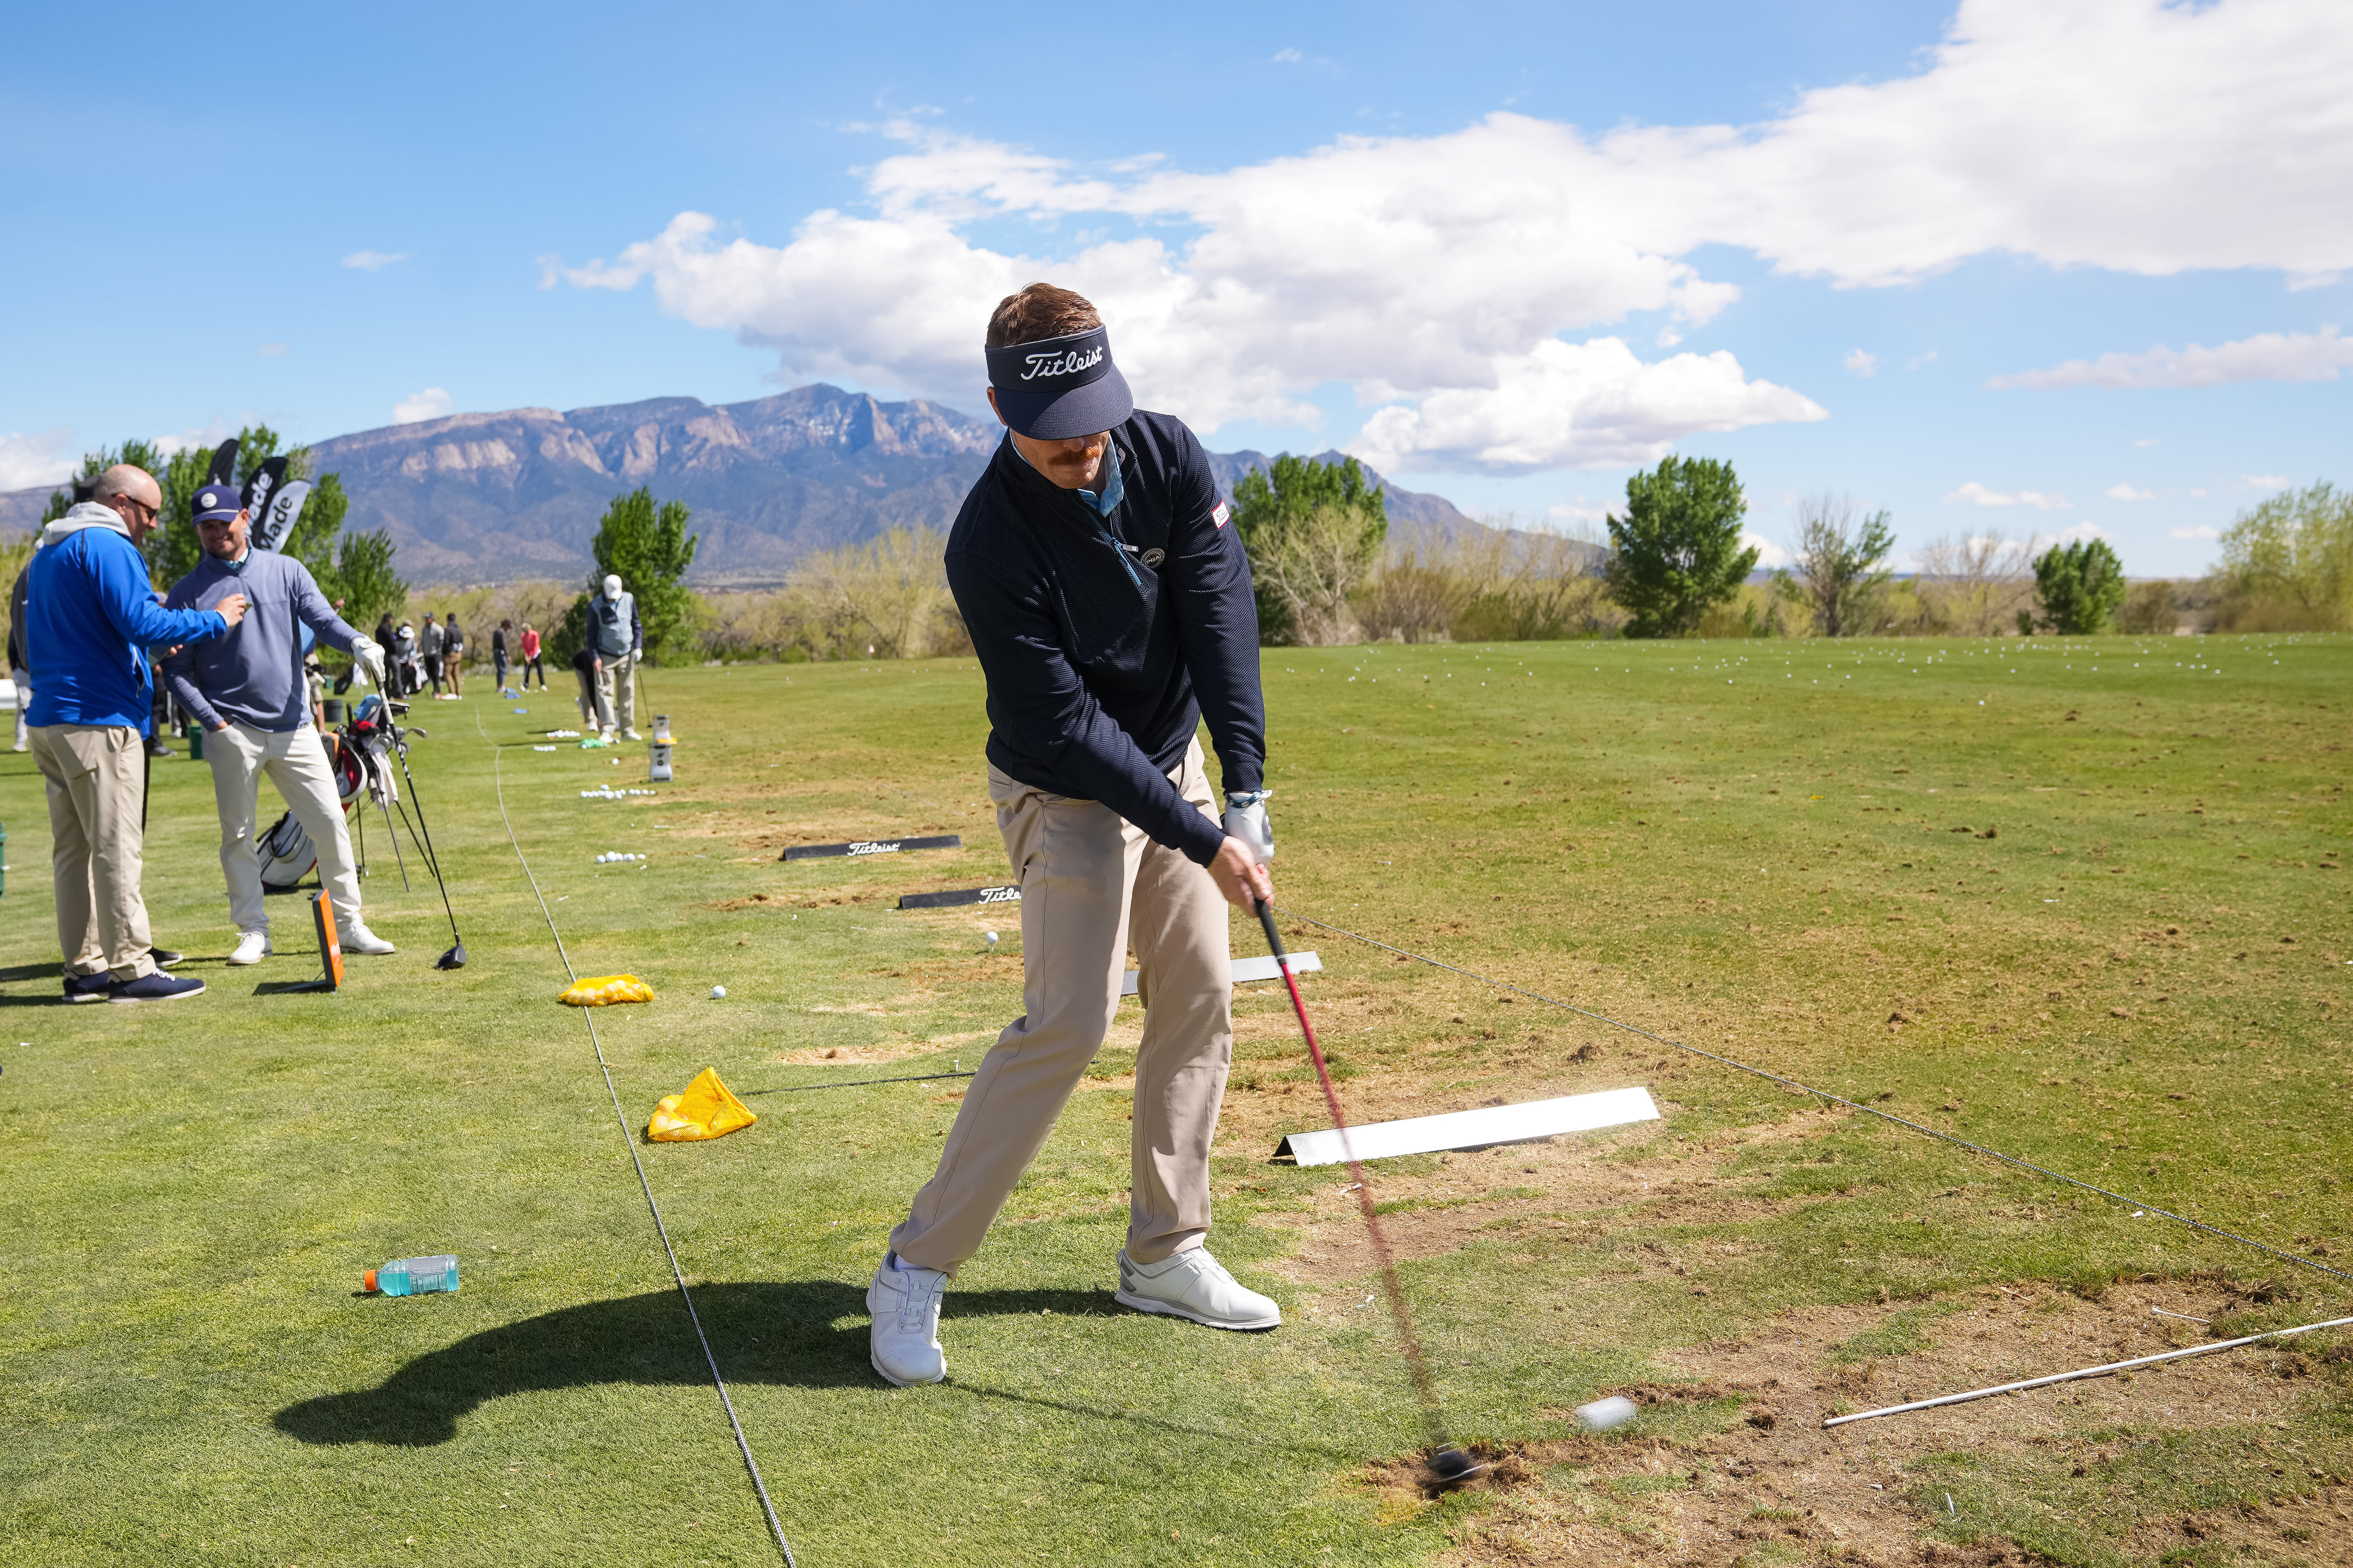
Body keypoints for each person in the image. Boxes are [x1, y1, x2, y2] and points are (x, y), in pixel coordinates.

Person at [867, 283, 1277, 1387]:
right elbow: (1069, 726)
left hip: (1172, 756)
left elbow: (1218, 606)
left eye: (1094, 414)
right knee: (1069, 1018)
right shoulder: (987, 541)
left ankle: (1166, 1250)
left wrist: (1244, 790)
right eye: (1056, 430)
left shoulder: (1167, 454)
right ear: (1002, 408)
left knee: (1199, 991)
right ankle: (913, 1266)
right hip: (1066, 787)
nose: (1083, 445)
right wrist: (1199, 835)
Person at [24, 464, 248, 1003]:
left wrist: (138, 650)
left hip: (52, 718)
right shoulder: (108, 544)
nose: (151, 525)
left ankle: (86, 969)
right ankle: (130, 968)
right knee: (116, 848)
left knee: (73, 851)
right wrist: (215, 619)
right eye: (149, 513)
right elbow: (145, 622)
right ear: (121, 502)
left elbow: (90, 633)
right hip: (99, 720)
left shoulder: (49, 551)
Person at [161, 484, 395, 964]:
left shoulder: (286, 570)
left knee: (330, 822)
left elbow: (323, 619)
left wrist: (356, 642)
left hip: (293, 727)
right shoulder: (187, 592)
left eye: (223, 523)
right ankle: (254, 931)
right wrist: (212, 722)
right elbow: (176, 673)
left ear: (244, 517)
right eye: (205, 526)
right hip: (232, 731)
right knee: (238, 836)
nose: (215, 532)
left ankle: (350, 925)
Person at [585, 574, 641, 740]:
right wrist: (595, 657)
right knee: (605, 694)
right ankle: (607, 731)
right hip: (605, 656)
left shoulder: (629, 599)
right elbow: (591, 636)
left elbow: (636, 625)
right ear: (604, 590)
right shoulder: (595, 606)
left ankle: (628, 730)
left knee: (627, 692)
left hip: (627, 654)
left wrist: (638, 647)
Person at [9, 553, 33, 752]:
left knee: (28, 705)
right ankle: (21, 741)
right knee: (25, 705)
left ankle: (27, 740)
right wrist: (17, 666)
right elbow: (12, 647)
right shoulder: (19, 626)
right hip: (23, 668)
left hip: (31, 667)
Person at [570, 643, 610, 731]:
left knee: (600, 690)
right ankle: (591, 721)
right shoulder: (588, 657)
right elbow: (591, 689)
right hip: (581, 668)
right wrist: (599, 717)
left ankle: (581, 701)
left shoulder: (606, 656)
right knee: (587, 691)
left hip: (592, 667)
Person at [390, 620, 419, 698]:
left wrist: (411, 661)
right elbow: (395, 653)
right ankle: (395, 692)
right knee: (398, 677)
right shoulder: (398, 642)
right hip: (398, 661)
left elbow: (413, 651)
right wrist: (397, 662)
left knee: (409, 675)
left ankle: (404, 691)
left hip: (407, 661)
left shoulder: (412, 640)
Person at [419, 611, 445, 697]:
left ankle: (437, 691)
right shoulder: (424, 629)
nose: (426, 621)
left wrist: (438, 652)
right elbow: (423, 641)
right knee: (430, 673)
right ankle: (436, 690)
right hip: (427, 654)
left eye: (428, 619)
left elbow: (441, 642)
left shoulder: (438, 629)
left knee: (436, 673)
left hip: (435, 655)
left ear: (432, 619)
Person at [518, 620, 545, 689]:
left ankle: (543, 684)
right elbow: (525, 648)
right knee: (527, 669)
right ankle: (526, 685)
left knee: (539, 669)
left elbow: (535, 646)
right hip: (529, 655)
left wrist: (531, 656)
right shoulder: (523, 636)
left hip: (536, 654)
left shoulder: (535, 634)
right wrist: (527, 657)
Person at [443, 616, 465, 697]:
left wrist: (443, 652)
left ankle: (452, 693)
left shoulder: (448, 629)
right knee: (456, 675)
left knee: (447, 674)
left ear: (448, 620)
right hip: (459, 653)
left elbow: (446, 642)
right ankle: (458, 694)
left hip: (450, 654)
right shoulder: (459, 630)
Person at [492, 619, 512, 693]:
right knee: (502, 669)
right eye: (509, 627)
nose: (509, 629)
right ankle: (501, 687)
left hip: (497, 653)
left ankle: (500, 686)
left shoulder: (497, 631)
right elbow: (503, 645)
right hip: (501, 653)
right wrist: (508, 655)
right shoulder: (501, 632)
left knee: (500, 669)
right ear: (505, 626)